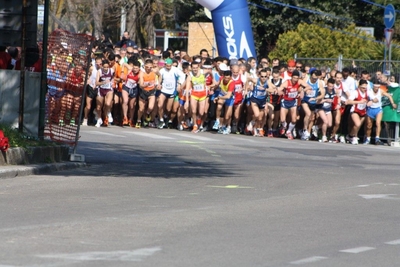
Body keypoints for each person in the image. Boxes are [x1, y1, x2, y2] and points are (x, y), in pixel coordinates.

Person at [278, 70, 310, 140]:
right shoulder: (287, 82)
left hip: (293, 101)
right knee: (282, 119)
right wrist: (279, 91)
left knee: (294, 120)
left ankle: (289, 131)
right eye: (294, 78)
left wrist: (302, 91)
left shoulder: (299, 81)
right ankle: (284, 126)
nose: (295, 80)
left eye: (296, 78)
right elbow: (280, 88)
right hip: (285, 101)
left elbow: (308, 87)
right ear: (291, 77)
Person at [363, 79, 397, 145]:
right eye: (376, 87)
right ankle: (368, 138)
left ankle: (377, 139)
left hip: (378, 109)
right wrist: (371, 101)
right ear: (373, 86)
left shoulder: (380, 91)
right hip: (370, 109)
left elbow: (389, 96)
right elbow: (371, 99)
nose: (377, 88)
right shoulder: (369, 91)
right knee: (369, 125)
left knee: (378, 123)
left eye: (378, 87)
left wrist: (392, 103)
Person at [157, 58, 185, 129]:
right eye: (167, 65)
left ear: (172, 65)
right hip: (163, 90)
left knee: (168, 109)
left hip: (172, 91)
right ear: (165, 65)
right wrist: (158, 84)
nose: (168, 67)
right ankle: (161, 119)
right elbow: (158, 78)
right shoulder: (162, 70)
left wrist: (179, 84)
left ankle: (166, 118)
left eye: (170, 66)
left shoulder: (175, 70)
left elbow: (183, 76)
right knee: (160, 105)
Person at [300, 69, 325, 140]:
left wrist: (315, 98)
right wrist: (304, 90)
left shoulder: (319, 82)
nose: (314, 80)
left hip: (313, 101)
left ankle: (308, 132)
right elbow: (300, 88)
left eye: (316, 78)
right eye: (313, 78)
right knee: (307, 113)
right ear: (310, 76)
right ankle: (304, 130)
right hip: (305, 100)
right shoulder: (306, 79)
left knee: (312, 118)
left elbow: (323, 94)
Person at [345, 79, 369, 145]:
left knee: (357, 126)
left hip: (363, 111)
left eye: (365, 88)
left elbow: (373, 98)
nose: (364, 89)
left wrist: (372, 101)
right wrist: (359, 102)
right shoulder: (355, 92)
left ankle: (350, 136)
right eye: (363, 88)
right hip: (355, 111)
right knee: (357, 124)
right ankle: (354, 137)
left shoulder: (368, 92)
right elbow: (349, 101)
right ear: (359, 87)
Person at [137, 59, 159, 128]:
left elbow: (159, 77)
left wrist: (158, 84)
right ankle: (139, 120)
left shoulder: (154, 72)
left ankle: (147, 114)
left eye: (150, 67)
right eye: (147, 67)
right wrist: (147, 84)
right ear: (144, 67)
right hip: (143, 91)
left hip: (151, 91)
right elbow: (141, 85)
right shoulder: (142, 73)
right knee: (141, 109)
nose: (149, 69)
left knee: (150, 107)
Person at [120, 58, 141, 127]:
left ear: (139, 68)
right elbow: (123, 64)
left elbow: (141, 81)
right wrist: (122, 72)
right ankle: (125, 117)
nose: (135, 70)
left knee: (132, 105)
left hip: (134, 89)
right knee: (125, 101)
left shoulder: (141, 73)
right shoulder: (130, 69)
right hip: (126, 87)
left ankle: (131, 119)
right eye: (134, 68)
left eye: (136, 68)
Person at [95, 59, 114, 127]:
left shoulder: (111, 70)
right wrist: (103, 82)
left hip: (109, 89)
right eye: (104, 67)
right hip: (101, 89)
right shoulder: (99, 71)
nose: (106, 68)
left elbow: (114, 77)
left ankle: (108, 113)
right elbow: (96, 83)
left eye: (107, 67)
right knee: (98, 107)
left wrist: (114, 82)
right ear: (102, 66)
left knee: (108, 103)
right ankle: (99, 119)